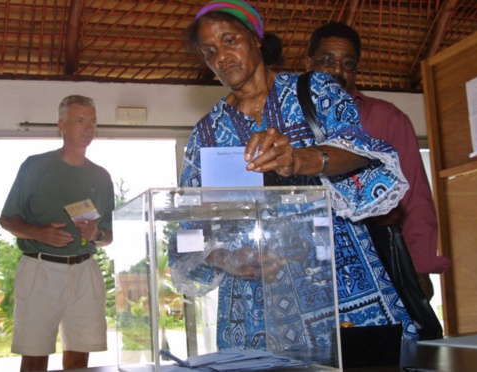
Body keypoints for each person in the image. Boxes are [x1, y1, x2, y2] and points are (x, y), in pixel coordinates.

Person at [170, 0, 419, 353]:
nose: (221, 56)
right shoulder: (206, 134)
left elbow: (362, 152)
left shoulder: (315, 91)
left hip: (339, 285)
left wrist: (297, 159)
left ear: (256, 39)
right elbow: (186, 230)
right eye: (209, 51)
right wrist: (227, 259)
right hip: (253, 306)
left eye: (230, 40)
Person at [304, 22, 450, 298]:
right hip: (308, 269)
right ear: (308, 63)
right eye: (326, 60)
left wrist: (417, 266)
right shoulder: (286, 121)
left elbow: (415, 198)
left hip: (380, 266)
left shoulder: (387, 119)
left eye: (347, 64)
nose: (337, 71)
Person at [0, 95, 114, 371]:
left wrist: (97, 232)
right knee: (35, 357)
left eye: (93, 121)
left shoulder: (102, 176)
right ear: (61, 124)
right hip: (41, 269)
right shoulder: (35, 166)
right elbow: (6, 219)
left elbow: (108, 236)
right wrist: (39, 233)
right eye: (80, 120)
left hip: (85, 271)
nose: (88, 128)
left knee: (79, 357)